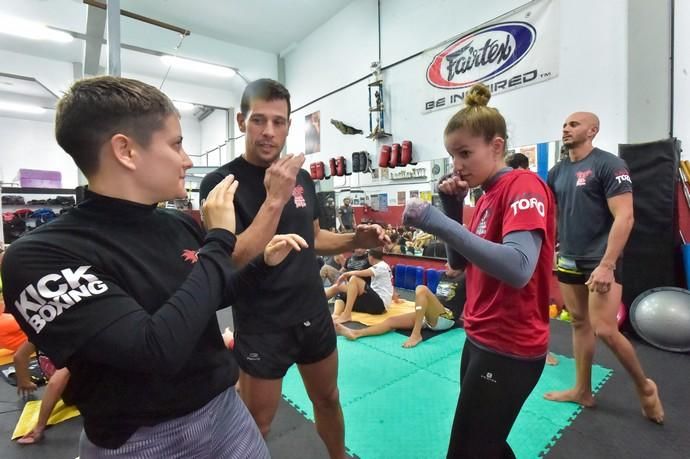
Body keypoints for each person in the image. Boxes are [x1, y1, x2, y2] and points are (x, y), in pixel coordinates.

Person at [1, 76, 306, 458]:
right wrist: (220, 239)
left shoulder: (175, 224)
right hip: (139, 441)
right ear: (126, 151)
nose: (188, 159)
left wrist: (261, 266)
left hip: (225, 413)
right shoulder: (39, 255)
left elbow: (212, 295)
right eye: (177, 143)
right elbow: (153, 350)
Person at [199, 78, 387, 459]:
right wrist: (273, 197)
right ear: (240, 122)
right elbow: (227, 260)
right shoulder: (220, 184)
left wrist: (355, 241)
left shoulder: (301, 177)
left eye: (279, 122)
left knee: (329, 400)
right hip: (262, 322)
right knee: (258, 423)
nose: (269, 132)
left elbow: (315, 236)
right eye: (258, 120)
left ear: (289, 124)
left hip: (312, 313)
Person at [402, 83, 555, 459]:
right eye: (453, 155)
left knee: (468, 450)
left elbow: (519, 268)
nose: (457, 164)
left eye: (466, 153)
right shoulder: (485, 197)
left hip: (511, 346)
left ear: (497, 146)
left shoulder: (523, 186)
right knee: (487, 444)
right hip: (480, 337)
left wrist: (440, 223)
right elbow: (458, 265)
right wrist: (452, 208)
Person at [543, 111, 664, 423]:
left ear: (592, 130)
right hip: (569, 258)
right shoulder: (556, 172)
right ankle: (582, 390)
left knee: (606, 329)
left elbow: (625, 216)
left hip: (601, 260)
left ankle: (645, 387)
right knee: (579, 323)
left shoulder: (609, 165)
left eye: (574, 124)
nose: (566, 128)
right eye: (565, 124)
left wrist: (608, 264)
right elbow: (555, 216)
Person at [335, 265, 466, 348]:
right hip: (432, 314)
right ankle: (356, 333)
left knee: (422, 289)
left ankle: (416, 334)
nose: (445, 265)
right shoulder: (444, 275)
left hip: (447, 318)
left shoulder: (465, 277)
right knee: (392, 321)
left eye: (449, 263)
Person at [325, 247, 393, 323]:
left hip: (379, 304)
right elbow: (389, 285)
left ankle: (346, 315)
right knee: (342, 294)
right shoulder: (384, 265)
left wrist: (346, 274)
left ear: (370, 257)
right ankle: (335, 314)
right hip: (373, 301)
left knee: (354, 278)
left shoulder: (381, 266)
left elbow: (362, 273)